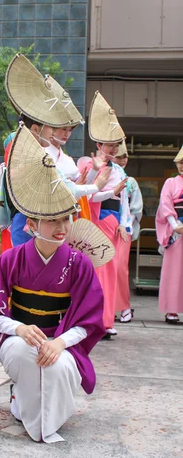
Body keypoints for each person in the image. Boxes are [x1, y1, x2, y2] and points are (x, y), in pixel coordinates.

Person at [0, 123, 106, 444]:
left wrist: (59, 343)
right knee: (23, 353)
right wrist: (18, 329)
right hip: (20, 337)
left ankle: (43, 412)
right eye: (52, 220)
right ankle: (27, 402)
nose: (62, 227)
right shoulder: (12, 259)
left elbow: (90, 320)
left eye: (66, 218)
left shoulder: (79, 263)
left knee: (58, 367)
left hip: (61, 339)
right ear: (31, 223)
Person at [2, 53, 111, 246]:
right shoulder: (26, 152)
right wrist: (96, 186)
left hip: (50, 221)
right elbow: (63, 187)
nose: (56, 133)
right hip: (32, 222)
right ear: (35, 129)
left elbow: (67, 187)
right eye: (54, 127)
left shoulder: (40, 152)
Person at [78, 91, 129, 338]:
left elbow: (123, 201)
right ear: (98, 145)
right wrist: (109, 190)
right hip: (97, 223)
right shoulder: (88, 164)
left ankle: (106, 320)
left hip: (112, 223)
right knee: (97, 272)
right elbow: (87, 197)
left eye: (116, 145)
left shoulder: (116, 169)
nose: (113, 148)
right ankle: (95, 321)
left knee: (110, 272)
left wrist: (124, 223)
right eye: (109, 145)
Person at [114, 141, 143, 322]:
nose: (123, 160)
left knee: (120, 268)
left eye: (125, 156)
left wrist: (125, 224)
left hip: (124, 229)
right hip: (106, 226)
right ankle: (105, 308)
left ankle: (124, 306)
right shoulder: (105, 175)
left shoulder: (130, 181)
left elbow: (136, 208)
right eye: (120, 156)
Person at [155, 146, 183, 324]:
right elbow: (165, 203)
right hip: (177, 229)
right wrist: (174, 225)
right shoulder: (171, 183)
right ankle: (171, 310)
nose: (182, 166)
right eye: (180, 163)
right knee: (174, 271)